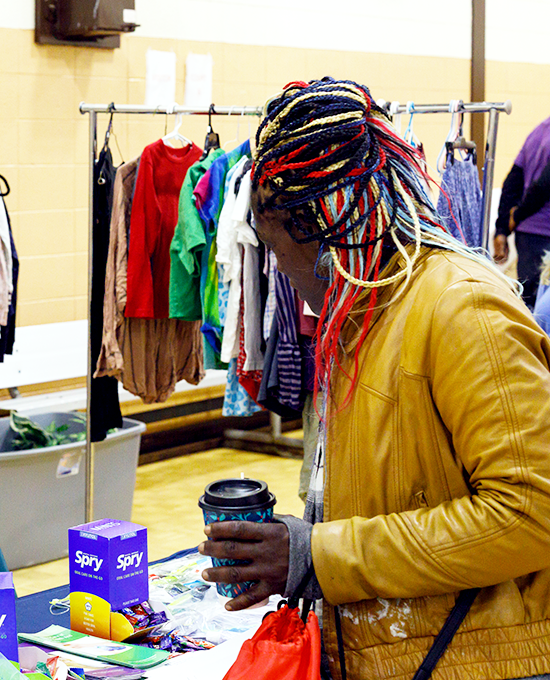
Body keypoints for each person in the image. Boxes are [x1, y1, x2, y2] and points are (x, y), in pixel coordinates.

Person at [200, 79, 550, 680]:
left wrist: (321, 554)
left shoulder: (462, 308)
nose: (278, 270)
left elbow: (532, 514)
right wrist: (299, 547)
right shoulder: (364, 310)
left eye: (275, 248)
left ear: (316, 226)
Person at [494, 115, 550, 309]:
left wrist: (502, 229)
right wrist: (514, 217)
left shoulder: (538, 131)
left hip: (527, 235)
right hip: (544, 233)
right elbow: (543, 186)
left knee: (530, 304)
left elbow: (511, 183)